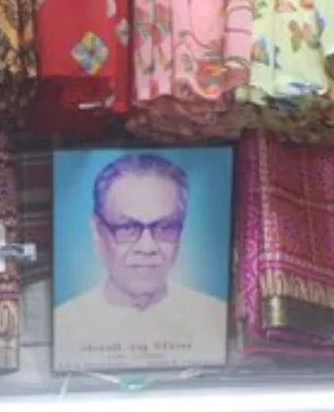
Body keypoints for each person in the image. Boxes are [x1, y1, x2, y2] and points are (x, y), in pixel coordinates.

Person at [55, 152, 228, 366]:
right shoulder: (63, 325)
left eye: (165, 227)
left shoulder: (218, 318)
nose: (147, 248)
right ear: (97, 231)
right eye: (127, 227)